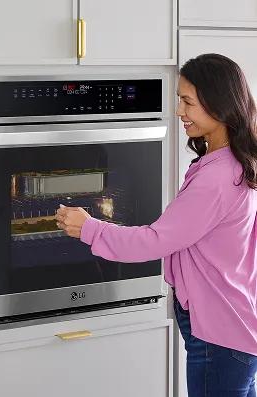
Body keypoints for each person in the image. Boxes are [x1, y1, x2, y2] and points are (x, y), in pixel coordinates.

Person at [56, 54, 257, 397]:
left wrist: (89, 227)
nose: (179, 111)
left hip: (219, 335)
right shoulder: (234, 163)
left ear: (218, 104)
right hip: (234, 325)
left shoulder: (217, 179)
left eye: (187, 102)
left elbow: (155, 241)